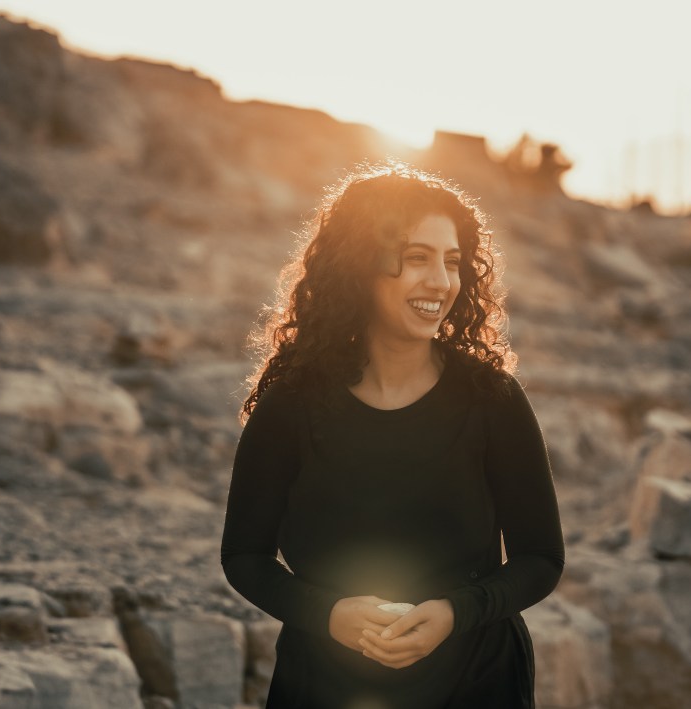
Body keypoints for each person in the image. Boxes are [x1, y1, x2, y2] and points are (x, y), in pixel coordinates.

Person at [220, 160, 565, 709]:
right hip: (325, 682)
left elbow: (541, 558)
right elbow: (243, 555)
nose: (441, 282)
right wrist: (329, 617)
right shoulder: (292, 403)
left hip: (476, 680)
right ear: (361, 264)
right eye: (416, 258)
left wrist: (456, 613)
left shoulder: (492, 400)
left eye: (452, 262)